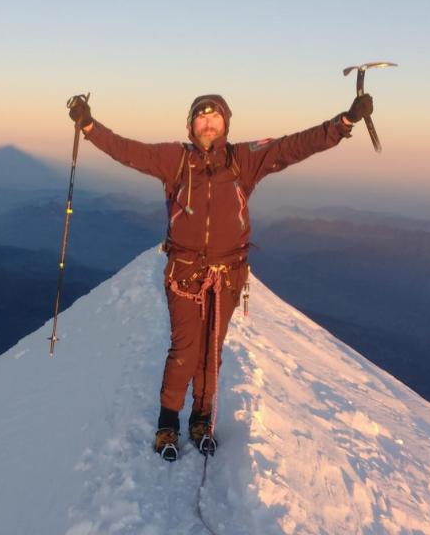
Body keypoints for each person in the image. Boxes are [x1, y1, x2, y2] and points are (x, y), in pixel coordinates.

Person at [67, 91, 373, 460]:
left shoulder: (243, 159)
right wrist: (89, 126)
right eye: (201, 117)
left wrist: (343, 123)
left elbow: (292, 147)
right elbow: (128, 150)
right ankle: (168, 424)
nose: (208, 122)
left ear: (226, 123)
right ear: (190, 125)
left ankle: (201, 419)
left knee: (212, 351)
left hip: (228, 274)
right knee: (185, 350)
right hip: (185, 272)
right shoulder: (175, 160)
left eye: (215, 117)